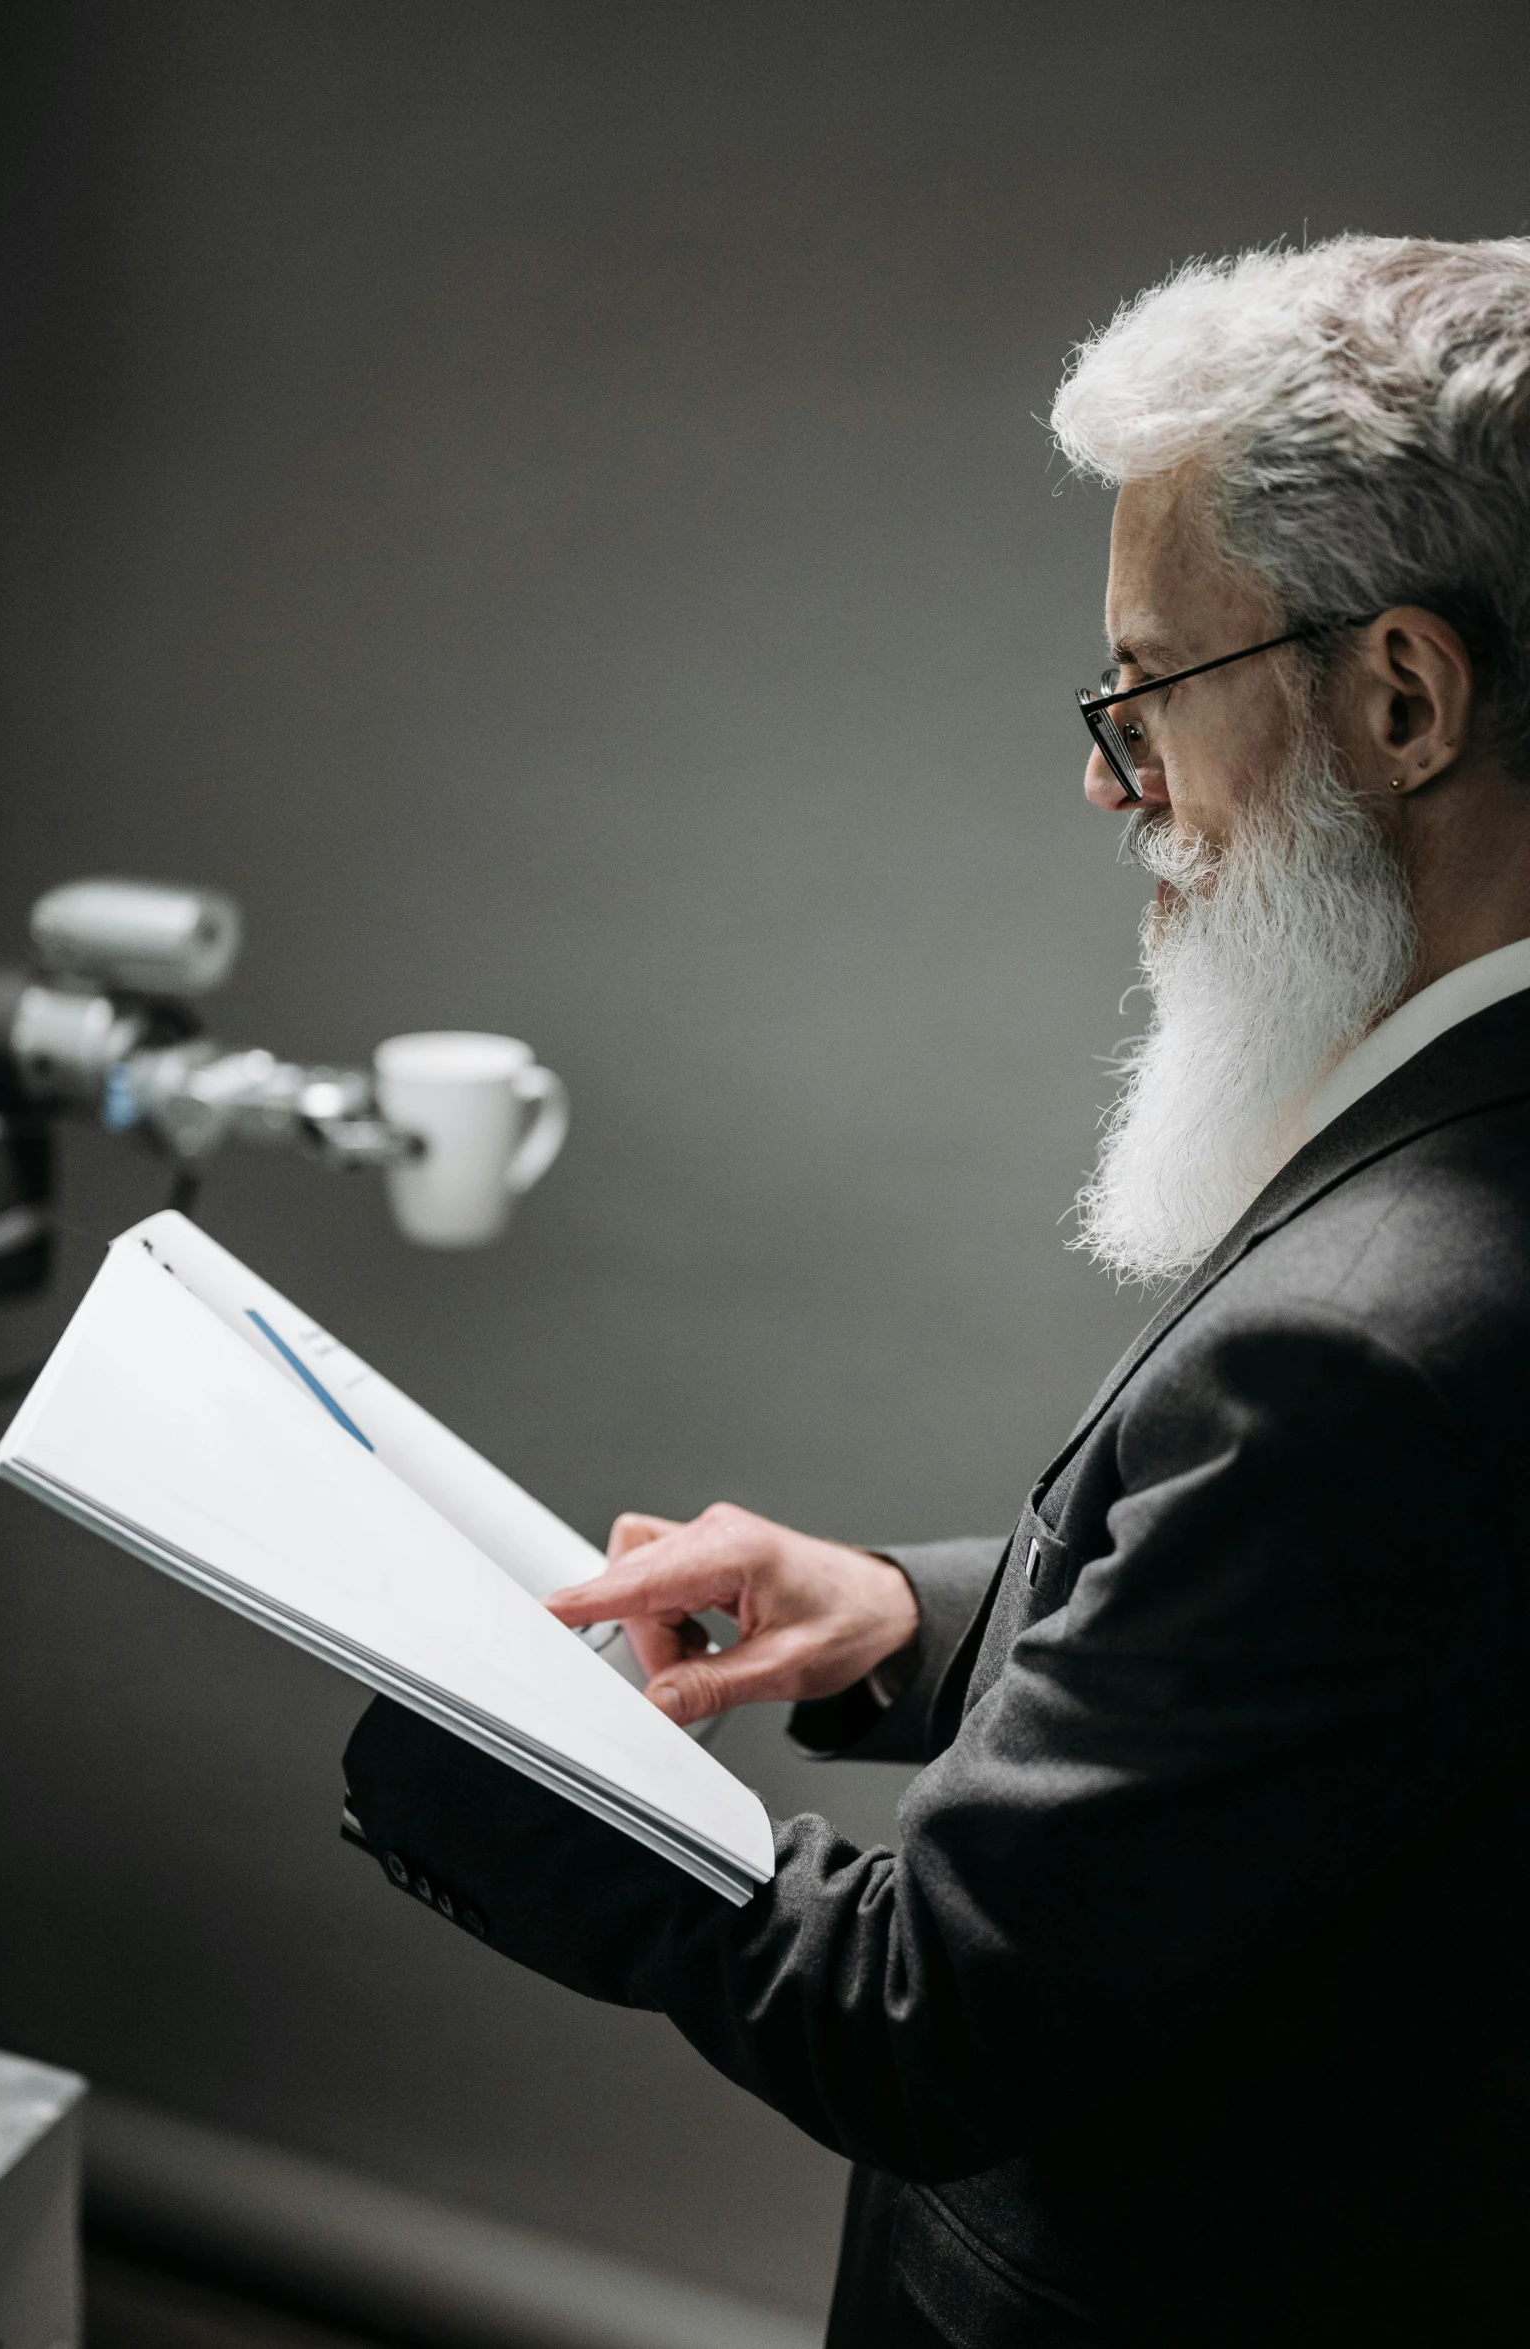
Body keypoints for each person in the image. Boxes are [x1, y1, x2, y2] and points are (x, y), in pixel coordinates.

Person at [340, 237, 1530, 2347]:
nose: (1105, 778)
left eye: (1147, 686)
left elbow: (927, 2016)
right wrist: (907, 1616)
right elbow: (1363, 1642)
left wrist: (524, 1783)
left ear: (1406, 698)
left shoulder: (1381, 1331)